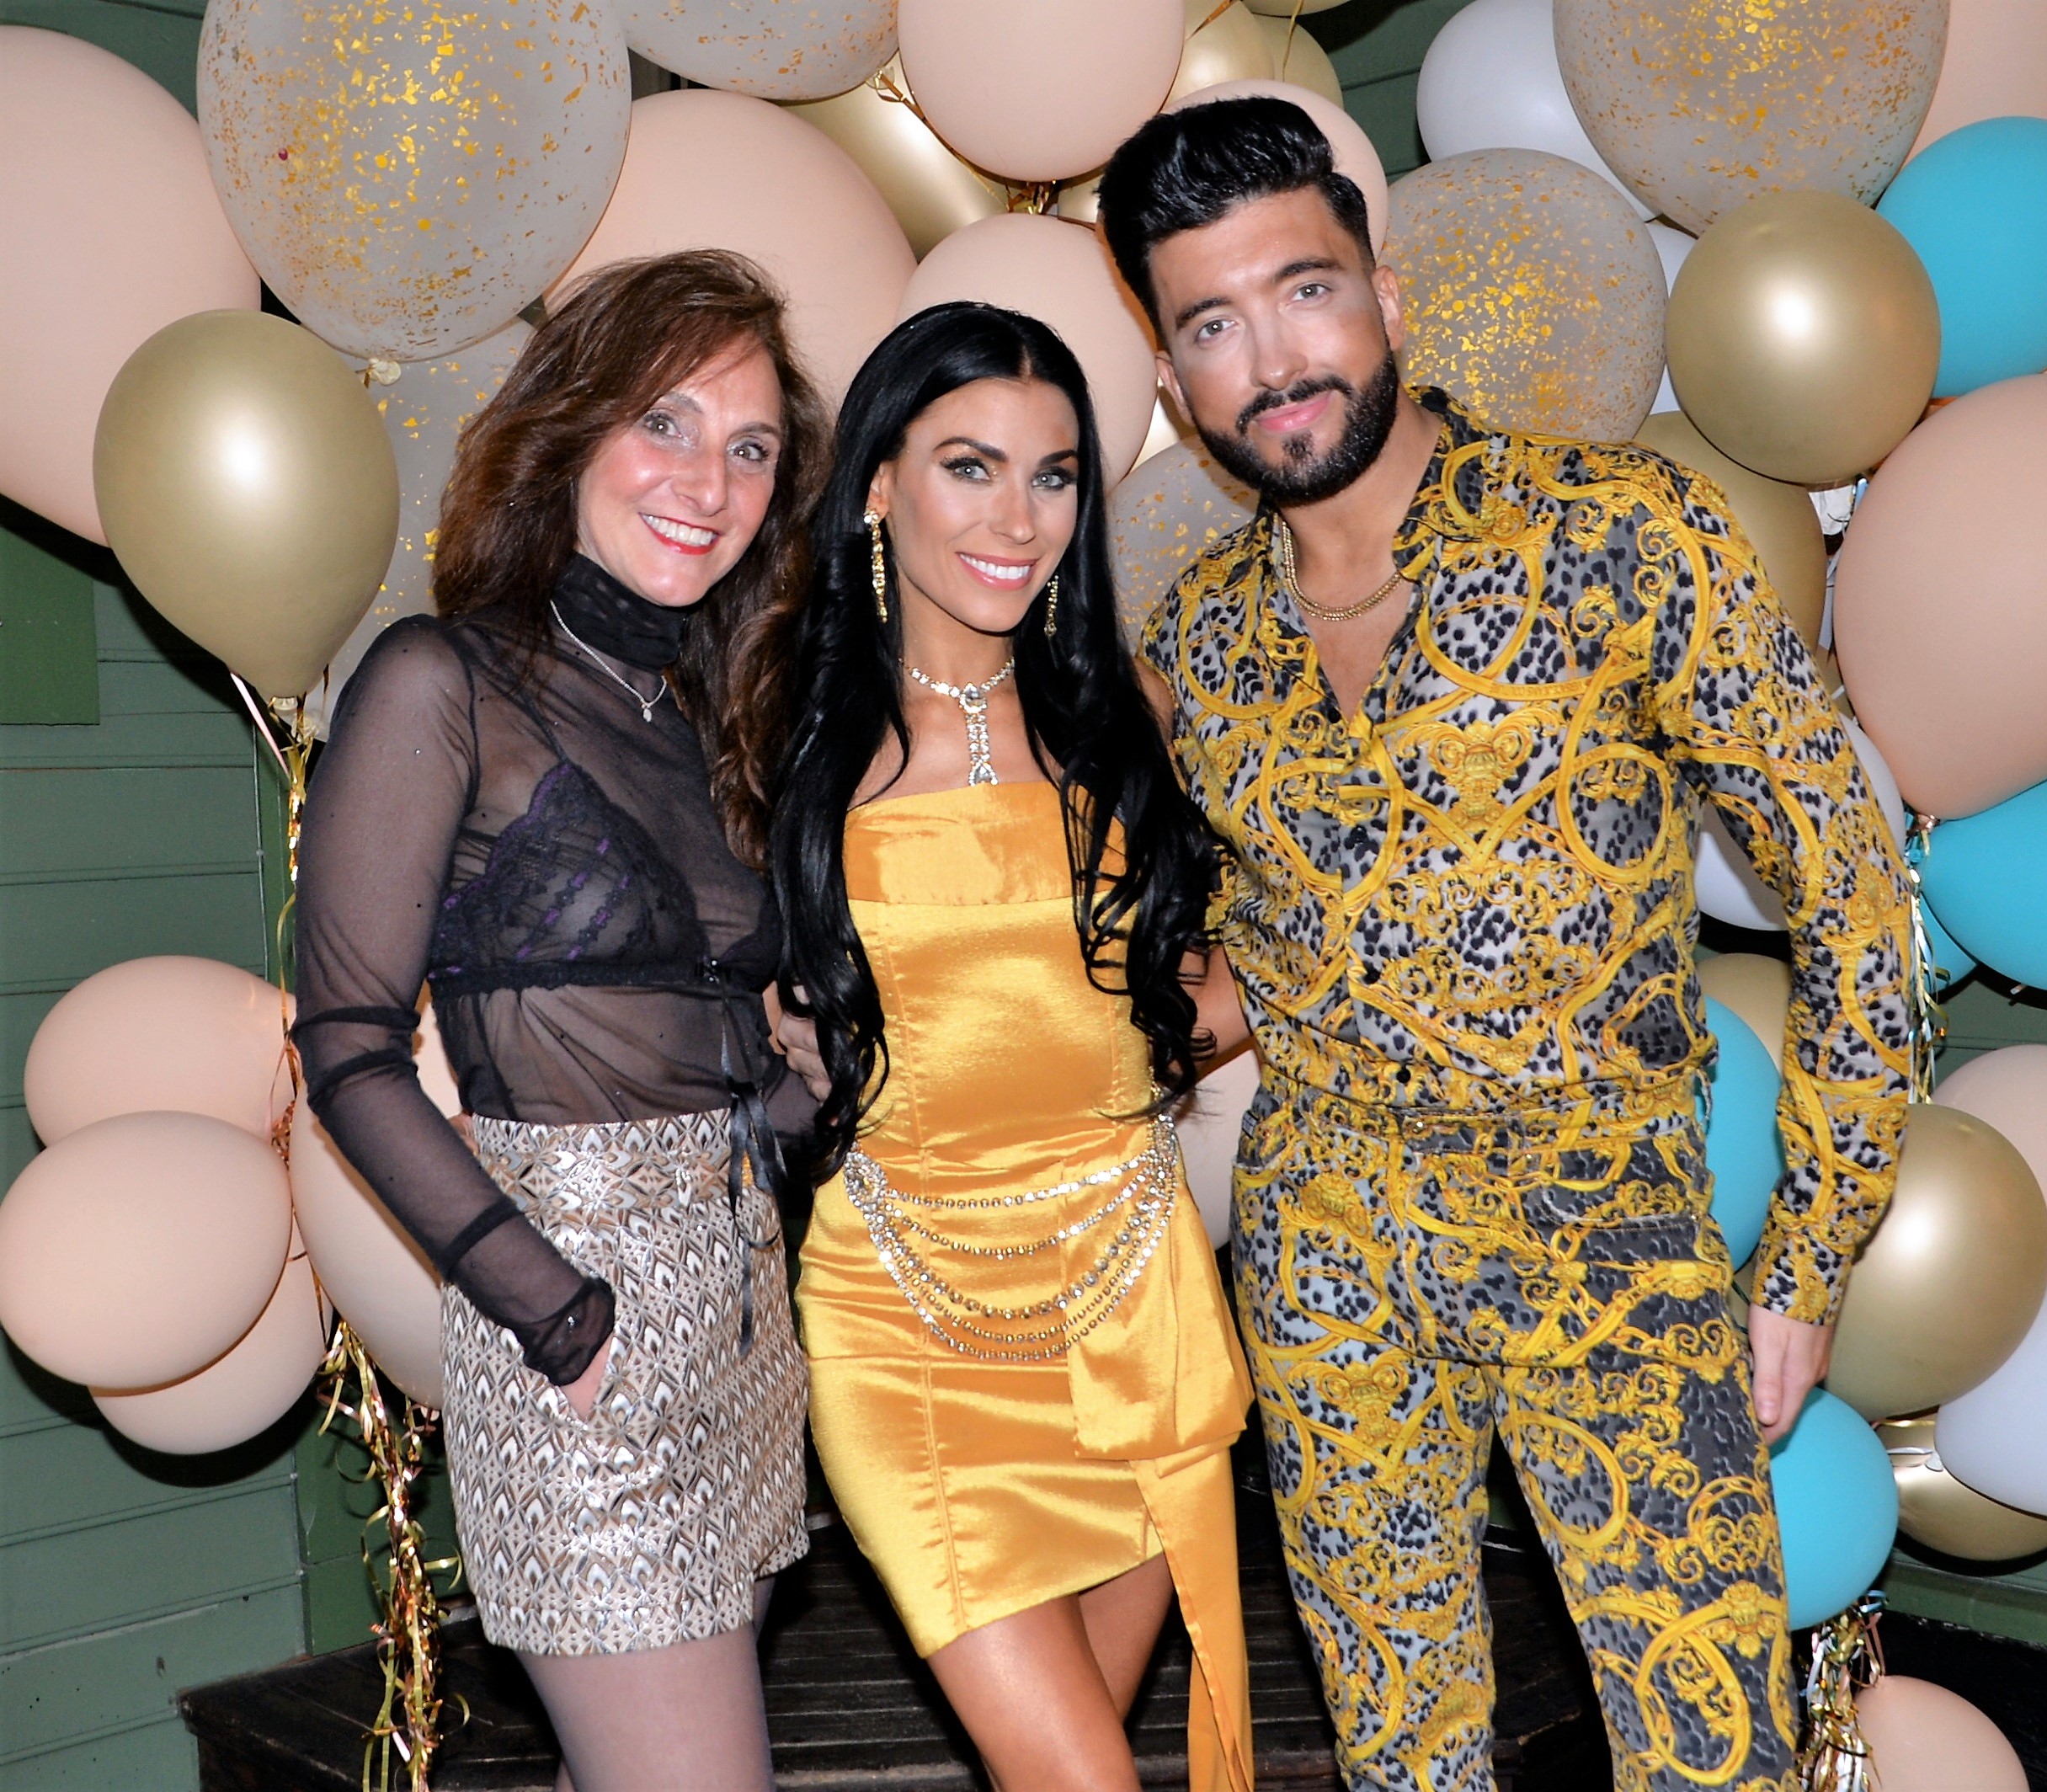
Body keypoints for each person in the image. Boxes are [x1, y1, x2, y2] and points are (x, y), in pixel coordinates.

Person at [1090, 98, 1916, 1792]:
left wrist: (1805, 1264)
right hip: (1324, 1262)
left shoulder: (1616, 533)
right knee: (1398, 1756)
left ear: (1385, 296)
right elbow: (1254, 954)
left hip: (1607, 1243)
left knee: (1708, 1758)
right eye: (1213, 324)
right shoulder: (1200, 638)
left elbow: (1850, 892)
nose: (1275, 359)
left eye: (1303, 290)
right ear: (1173, 381)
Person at [292, 250, 827, 1792]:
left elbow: (723, 1062)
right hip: (572, 1320)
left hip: (743, 1315)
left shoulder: (711, 719)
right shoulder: (442, 680)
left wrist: (818, 1083)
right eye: (665, 423)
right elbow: (345, 1047)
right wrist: (558, 1314)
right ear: (571, 430)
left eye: (750, 448)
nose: (707, 483)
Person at [771, 301, 1255, 1792]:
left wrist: (1129, 1057)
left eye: (1052, 477)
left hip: (1131, 1306)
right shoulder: (779, 730)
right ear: (878, 482)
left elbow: (1241, 967)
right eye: (969, 467)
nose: (1016, 519)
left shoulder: (1126, 716)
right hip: (907, 1324)